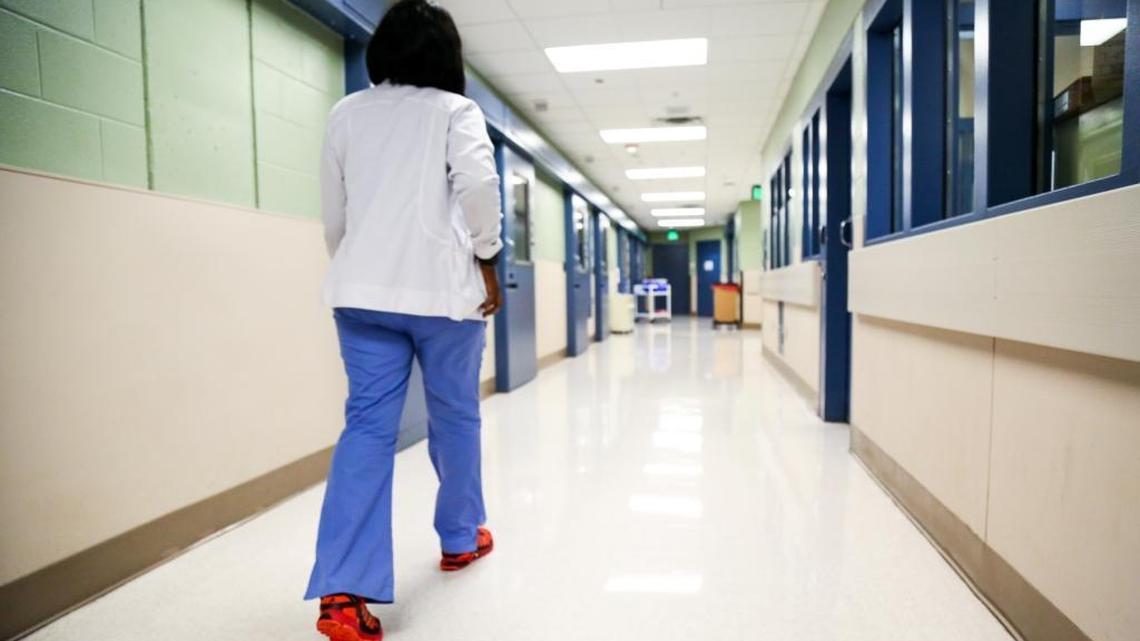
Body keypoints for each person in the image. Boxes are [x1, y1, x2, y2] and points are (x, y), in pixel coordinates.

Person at [304, 2, 502, 640]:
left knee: (366, 428)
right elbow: (478, 188)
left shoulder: (345, 113)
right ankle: (459, 537)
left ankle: (342, 595)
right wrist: (489, 259)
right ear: (448, 58)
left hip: (361, 296)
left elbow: (334, 216)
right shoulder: (455, 111)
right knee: (454, 415)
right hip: (444, 297)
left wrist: (363, 270)